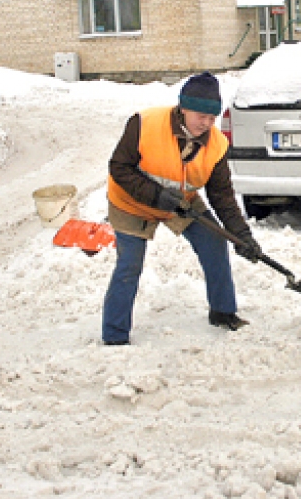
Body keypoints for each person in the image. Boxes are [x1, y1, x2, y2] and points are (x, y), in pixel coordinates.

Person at [101, 72, 262, 344]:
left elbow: (221, 195)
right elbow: (119, 167)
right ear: (183, 106)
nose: (206, 123)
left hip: (180, 202)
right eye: (201, 115)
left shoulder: (217, 145)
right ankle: (115, 335)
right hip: (131, 203)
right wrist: (157, 196)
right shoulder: (144, 124)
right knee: (129, 265)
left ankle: (223, 312)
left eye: (212, 118)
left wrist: (241, 235)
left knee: (214, 244)